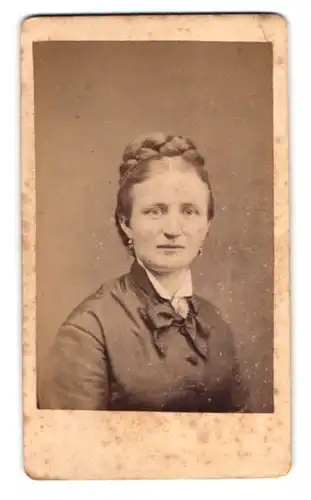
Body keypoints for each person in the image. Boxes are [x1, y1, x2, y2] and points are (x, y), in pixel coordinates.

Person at [39, 132, 250, 412]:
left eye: (189, 211)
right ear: (126, 223)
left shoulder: (216, 324)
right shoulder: (88, 331)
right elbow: (73, 450)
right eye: (155, 211)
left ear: (207, 224)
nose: (173, 229)